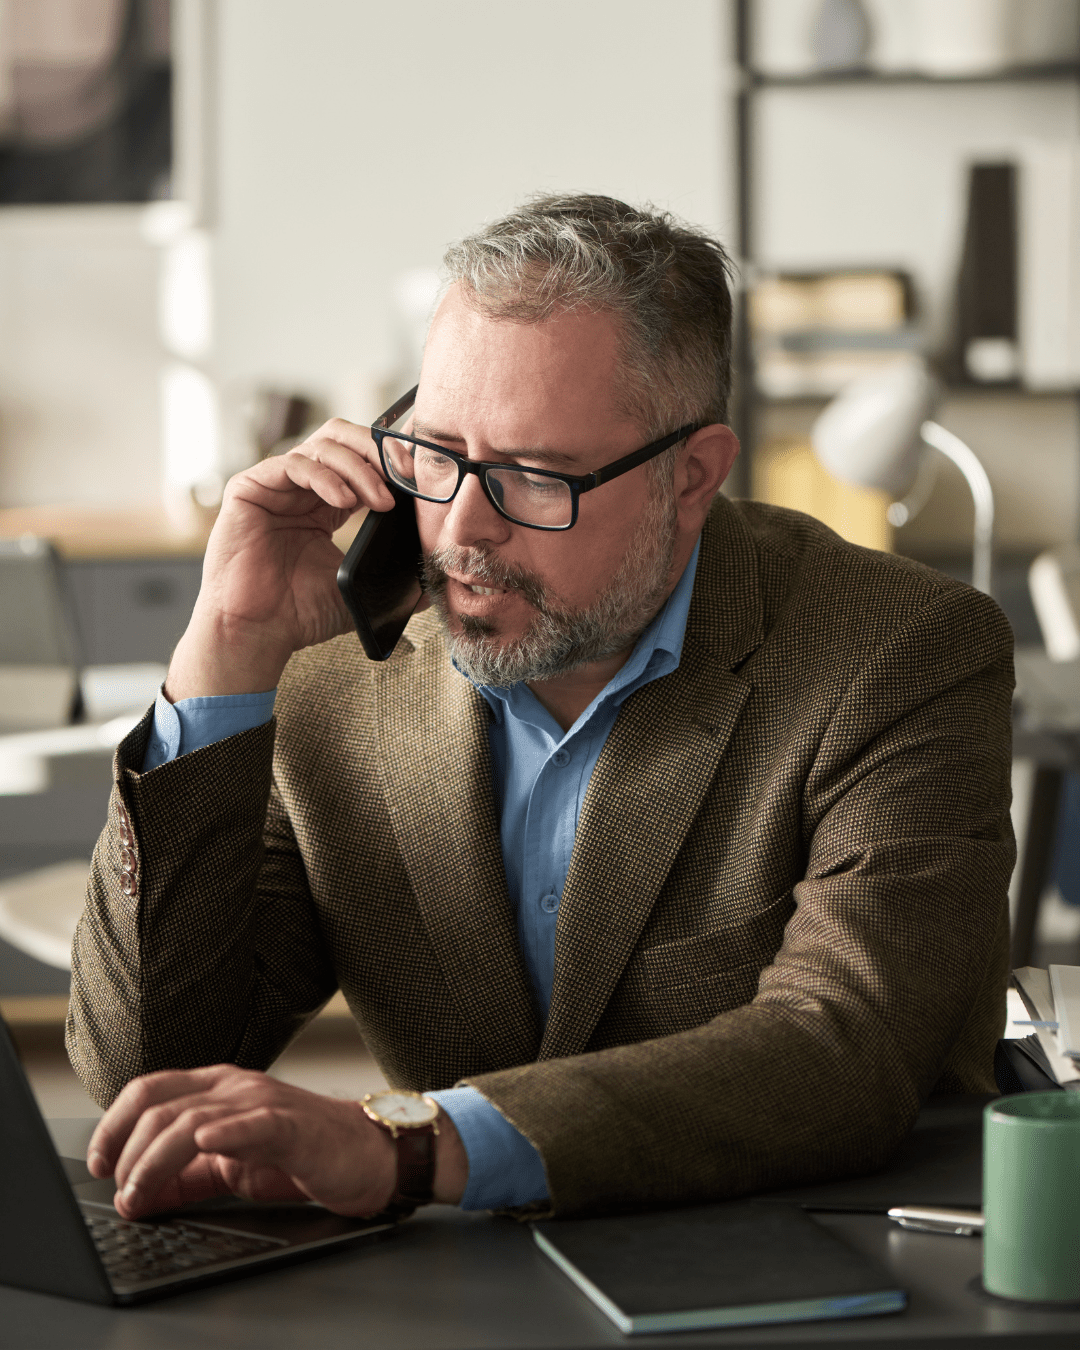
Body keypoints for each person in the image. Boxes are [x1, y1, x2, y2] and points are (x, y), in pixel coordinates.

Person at [68, 194, 1014, 1224]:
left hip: (807, 1261)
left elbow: (846, 1046)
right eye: (436, 453)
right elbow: (147, 1073)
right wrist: (222, 659)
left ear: (691, 476)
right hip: (464, 1294)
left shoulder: (899, 652)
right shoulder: (328, 659)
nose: (462, 529)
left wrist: (408, 1144)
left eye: (532, 475)